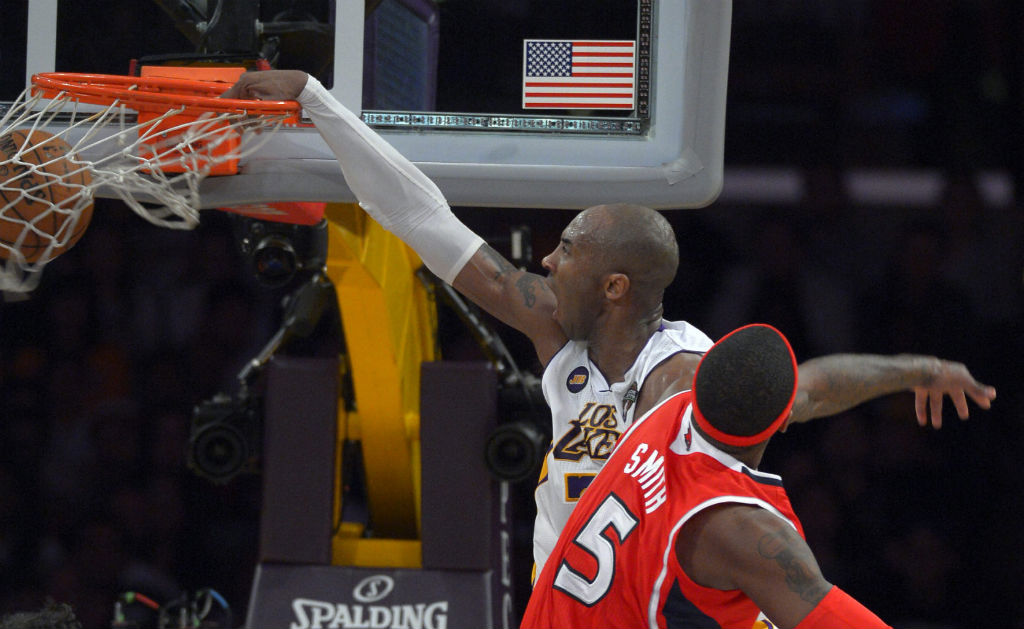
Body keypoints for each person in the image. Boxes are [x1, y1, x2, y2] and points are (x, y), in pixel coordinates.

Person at [221, 70, 997, 579]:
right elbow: (424, 218)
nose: (547, 262)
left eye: (568, 250)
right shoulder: (557, 330)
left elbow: (808, 390)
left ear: (616, 286)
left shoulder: (685, 375)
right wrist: (319, 105)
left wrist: (914, 369)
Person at [522, 324, 892, 629]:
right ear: (784, 420)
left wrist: (924, 371)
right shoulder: (741, 528)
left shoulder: (667, 405)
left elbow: (814, 386)